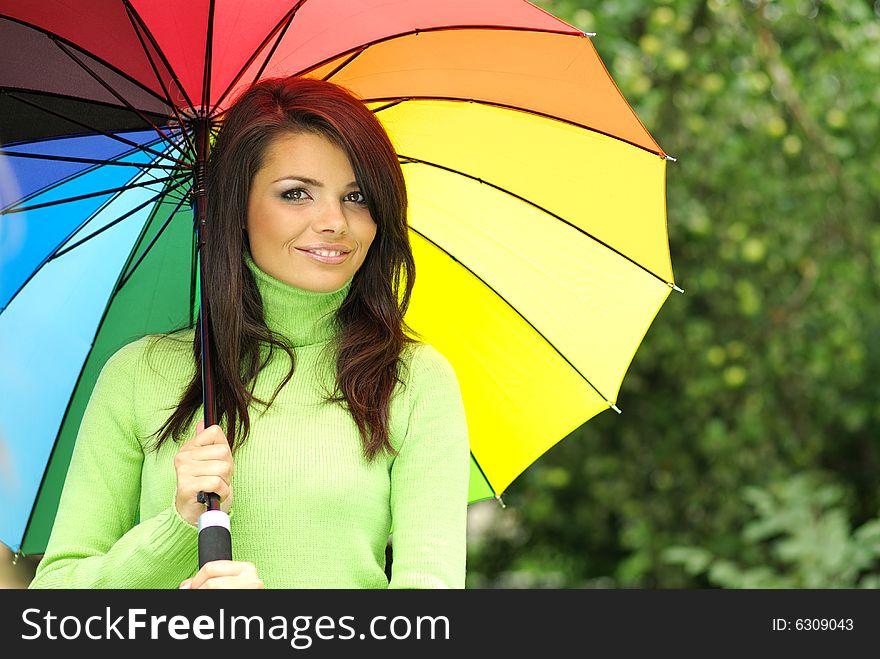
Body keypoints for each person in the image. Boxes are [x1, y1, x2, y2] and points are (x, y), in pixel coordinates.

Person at [28, 77, 470, 589]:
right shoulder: (138, 374)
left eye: (357, 196)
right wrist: (175, 532)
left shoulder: (414, 381)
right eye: (297, 194)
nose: (334, 222)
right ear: (236, 208)